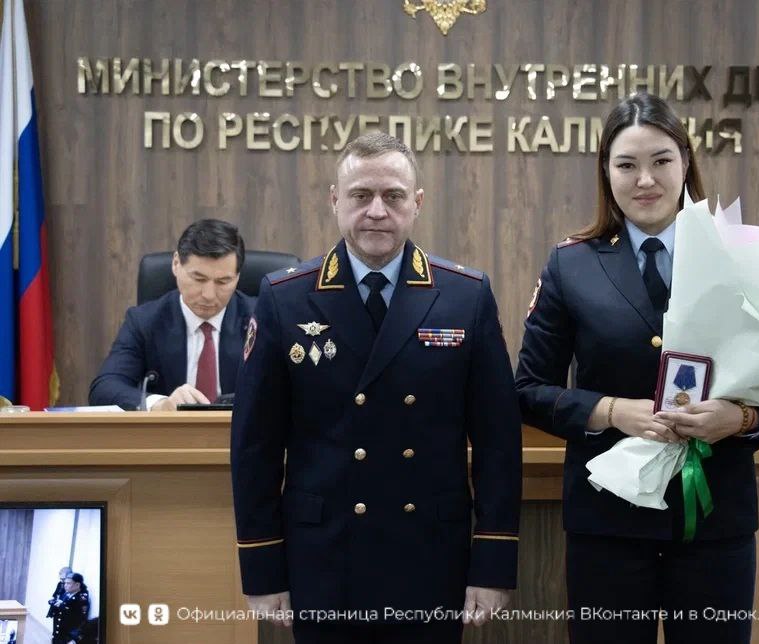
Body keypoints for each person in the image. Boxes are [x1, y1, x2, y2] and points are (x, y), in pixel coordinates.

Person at [515, 92, 759, 644]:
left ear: (686, 162)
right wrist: (610, 410)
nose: (644, 180)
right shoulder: (572, 265)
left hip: (715, 521)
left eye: (661, 161)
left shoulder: (743, 254)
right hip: (608, 525)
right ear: (606, 172)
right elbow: (529, 390)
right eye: (626, 165)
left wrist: (742, 419)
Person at [231, 132, 521, 643]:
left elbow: (498, 442)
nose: (377, 211)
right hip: (324, 555)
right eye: (361, 195)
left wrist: (493, 563)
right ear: (335, 200)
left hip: (429, 553)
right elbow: (255, 446)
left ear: (417, 203)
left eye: (393, 196)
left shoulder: (465, 295)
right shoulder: (284, 298)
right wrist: (262, 566)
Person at [89, 219, 255, 410]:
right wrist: (160, 404)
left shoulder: (261, 320)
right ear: (176, 264)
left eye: (223, 282)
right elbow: (104, 388)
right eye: (199, 279)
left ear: (237, 277)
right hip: (168, 429)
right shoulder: (144, 322)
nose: (208, 295)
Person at [49, 572, 89, 644]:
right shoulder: (66, 594)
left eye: (68, 583)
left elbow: (81, 620)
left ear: (77, 585)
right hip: (59, 634)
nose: (65, 585)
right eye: (65, 583)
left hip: (68, 637)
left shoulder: (81, 598)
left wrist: (74, 639)